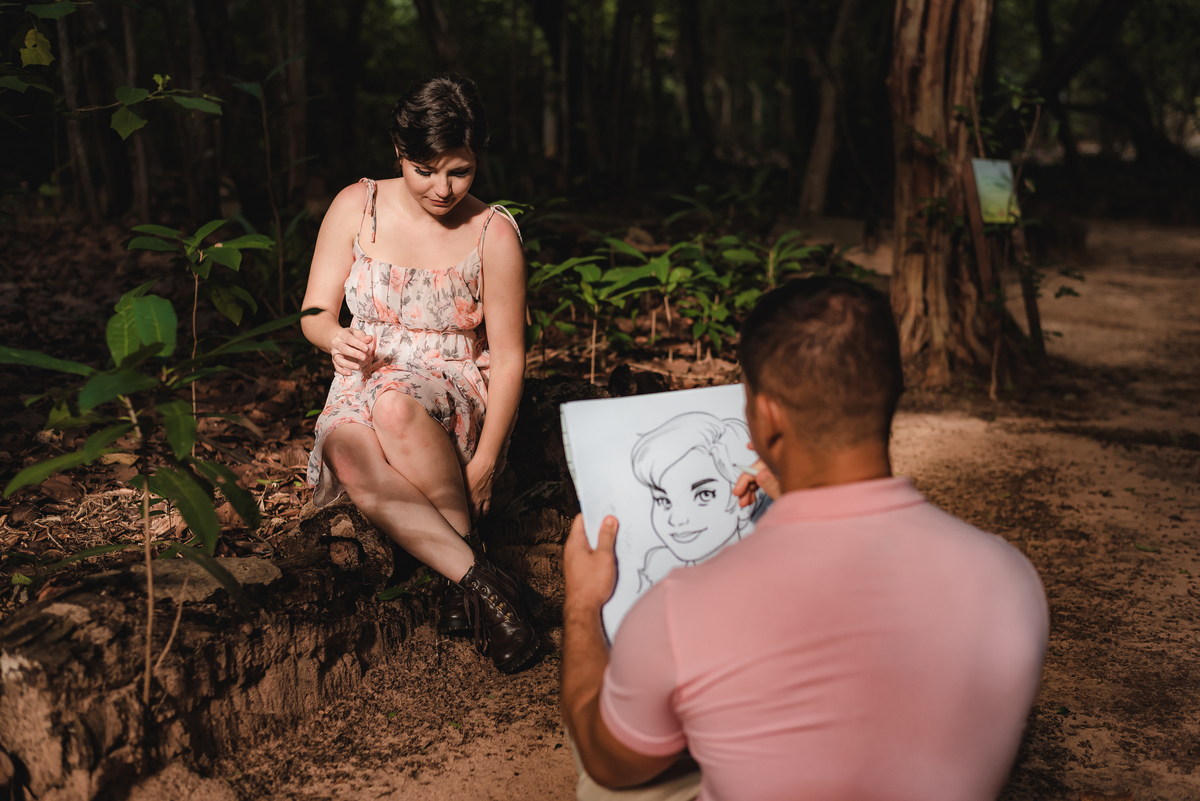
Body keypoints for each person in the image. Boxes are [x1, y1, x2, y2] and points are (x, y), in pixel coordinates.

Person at [561, 276, 1049, 800]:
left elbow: (608, 760)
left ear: (766, 418)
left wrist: (583, 605)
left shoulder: (679, 608)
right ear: (893, 395)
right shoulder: (1008, 576)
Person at [301, 73, 538, 674]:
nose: (442, 188)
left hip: (447, 387)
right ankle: (486, 583)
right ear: (398, 152)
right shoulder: (358, 204)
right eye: (425, 169)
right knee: (348, 452)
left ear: (477, 157)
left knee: (395, 407)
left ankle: (469, 583)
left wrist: (485, 462)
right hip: (360, 380)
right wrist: (335, 338)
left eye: (459, 170)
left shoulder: (493, 233)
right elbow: (314, 312)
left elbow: (509, 358)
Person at [629, 412, 764, 591]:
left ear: (745, 500)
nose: (677, 520)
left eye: (704, 495)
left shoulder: (766, 575)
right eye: (663, 500)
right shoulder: (654, 571)